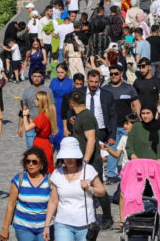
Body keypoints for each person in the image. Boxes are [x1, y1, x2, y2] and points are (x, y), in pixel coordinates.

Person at [44, 137, 107, 240]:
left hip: (85, 225)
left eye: (71, 156)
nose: (68, 159)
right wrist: (46, 225)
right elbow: (53, 201)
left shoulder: (88, 170)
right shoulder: (57, 173)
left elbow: (102, 192)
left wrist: (89, 188)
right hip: (63, 223)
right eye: (66, 156)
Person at [68, 91, 114, 230]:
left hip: (92, 161)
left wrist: (86, 160)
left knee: (99, 189)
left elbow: (91, 139)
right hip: (84, 159)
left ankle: (107, 218)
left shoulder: (86, 117)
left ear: (71, 104)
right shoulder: (82, 116)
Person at [1, 147, 52, 241]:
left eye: (34, 162)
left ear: (42, 164)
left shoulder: (50, 181)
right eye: (28, 161)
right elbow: (10, 205)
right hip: (23, 226)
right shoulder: (19, 179)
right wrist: (5, 228)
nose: (31, 164)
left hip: (45, 226)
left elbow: (55, 204)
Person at [102, 64, 140, 182]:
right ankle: (111, 175)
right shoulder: (105, 89)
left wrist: (139, 121)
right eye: (111, 74)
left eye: (116, 73)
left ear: (121, 74)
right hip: (111, 126)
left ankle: (133, 172)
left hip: (127, 125)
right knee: (113, 149)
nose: (113, 76)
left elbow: (136, 104)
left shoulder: (129, 88)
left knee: (130, 150)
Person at [21, 91, 58, 173]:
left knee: (39, 168)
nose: (35, 101)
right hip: (47, 143)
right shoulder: (48, 113)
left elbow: (27, 128)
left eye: (37, 99)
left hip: (40, 143)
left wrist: (24, 115)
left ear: (41, 101)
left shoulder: (41, 116)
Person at [18, 68, 54, 148]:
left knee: (42, 151)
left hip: (44, 127)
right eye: (35, 76)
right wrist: (20, 126)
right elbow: (23, 109)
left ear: (42, 77)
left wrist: (53, 125)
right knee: (31, 151)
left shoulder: (48, 91)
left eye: (39, 76)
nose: (37, 78)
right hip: (31, 125)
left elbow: (52, 109)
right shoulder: (26, 91)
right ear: (31, 77)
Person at [48, 63, 73, 150]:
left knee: (63, 129)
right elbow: (49, 95)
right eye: (58, 72)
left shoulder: (70, 82)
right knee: (54, 128)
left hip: (65, 107)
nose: (60, 74)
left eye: (62, 72)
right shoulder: (53, 81)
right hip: (55, 107)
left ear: (66, 72)